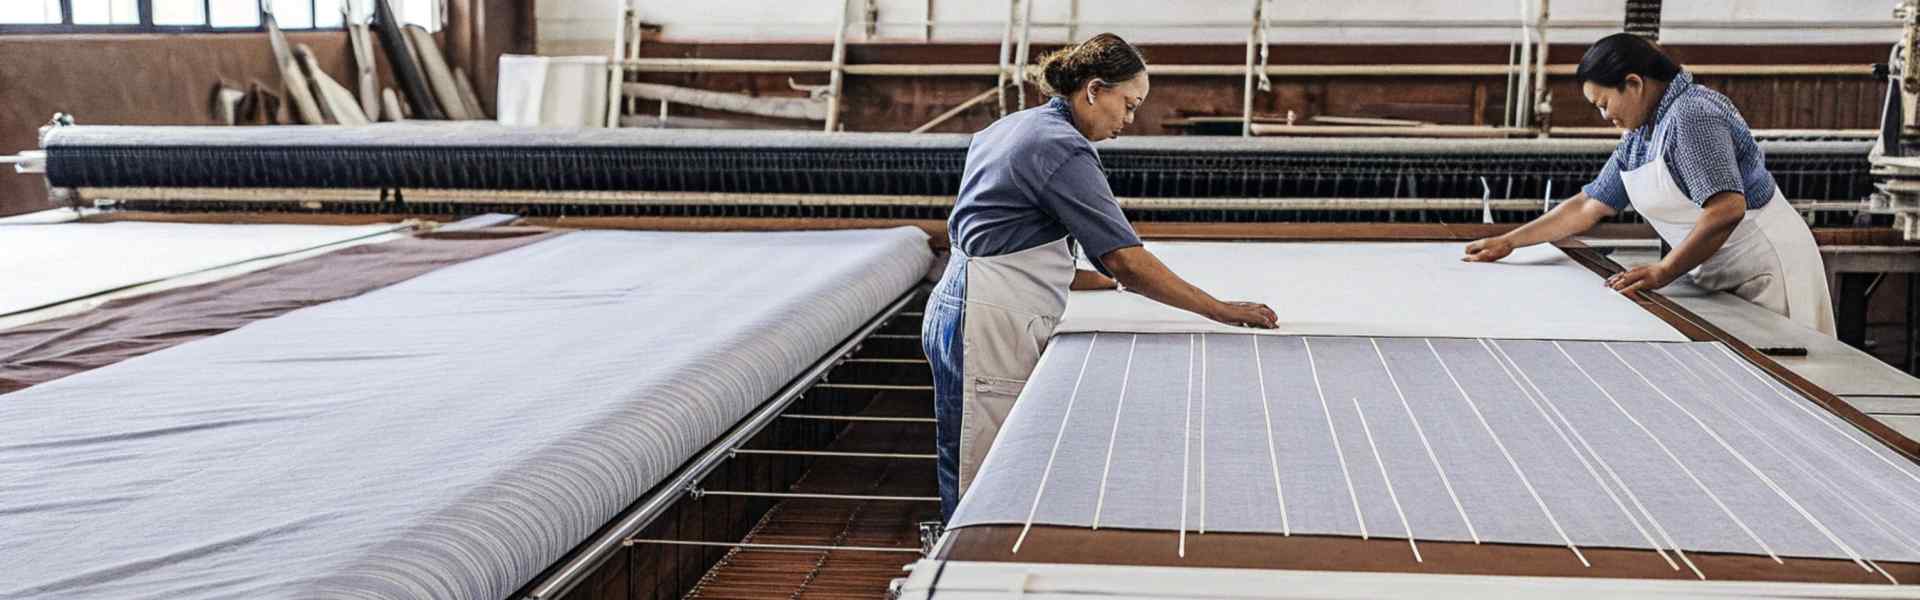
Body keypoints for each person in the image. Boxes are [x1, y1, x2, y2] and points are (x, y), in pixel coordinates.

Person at [921, 33, 1279, 522]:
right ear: (1093, 90)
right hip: (987, 320)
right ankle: (959, 574)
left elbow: (1007, 233)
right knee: (983, 465)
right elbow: (1126, 260)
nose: (1129, 121)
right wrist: (1220, 310)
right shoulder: (1061, 147)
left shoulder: (1014, 127)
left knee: (969, 449)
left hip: (963, 302)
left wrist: (1096, 283)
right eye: (1127, 105)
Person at [1464, 33, 1834, 335]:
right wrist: (1510, 241)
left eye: (1605, 103)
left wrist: (1664, 271)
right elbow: (1589, 205)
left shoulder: (1691, 115)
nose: (1605, 115)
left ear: (1634, 84)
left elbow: (1726, 209)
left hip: (1765, 269)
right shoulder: (1640, 136)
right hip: (1718, 270)